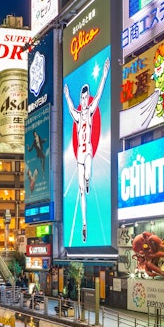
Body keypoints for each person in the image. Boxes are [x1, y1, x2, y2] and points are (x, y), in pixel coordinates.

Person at [63, 57, 110, 243]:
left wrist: (105, 73)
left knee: (88, 176)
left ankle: (89, 180)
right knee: (81, 190)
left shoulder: (90, 111)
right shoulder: (77, 114)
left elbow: (99, 94)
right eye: (81, 98)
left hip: (88, 150)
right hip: (79, 157)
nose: (83, 100)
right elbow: (69, 108)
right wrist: (67, 95)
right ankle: (84, 224)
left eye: (85, 97)